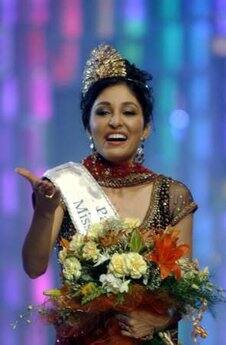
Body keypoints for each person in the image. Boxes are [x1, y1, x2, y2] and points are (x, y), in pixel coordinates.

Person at [16, 45, 197, 344]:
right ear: (89, 125)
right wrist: (46, 212)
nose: (115, 121)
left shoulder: (173, 194)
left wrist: (156, 319)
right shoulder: (63, 186)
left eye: (128, 112)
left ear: (147, 127)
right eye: (103, 112)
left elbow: (185, 288)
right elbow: (33, 268)